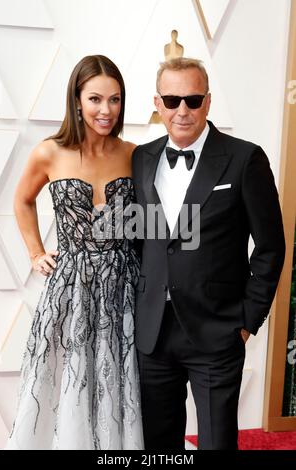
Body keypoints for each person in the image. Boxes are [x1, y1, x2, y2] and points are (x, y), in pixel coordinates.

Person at [132, 57, 285, 450]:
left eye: (193, 99)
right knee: (157, 445)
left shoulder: (245, 158)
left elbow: (270, 247)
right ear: (157, 103)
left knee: (217, 442)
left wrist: (248, 320)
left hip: (216, 331)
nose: (182, 110)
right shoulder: (141, 158)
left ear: (209, 102)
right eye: (172, 100)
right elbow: (139, 240)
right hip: (153, 333)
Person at [6, 55, 144, 450]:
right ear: (77, 100)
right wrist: (35, 253)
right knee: (72, 380)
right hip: (72, 286)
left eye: (115, 100)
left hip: (125, 285)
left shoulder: (135, 154)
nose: (106, 110)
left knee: (119, 379)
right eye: (96, 99)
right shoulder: (49, 152)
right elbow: (22, 200)